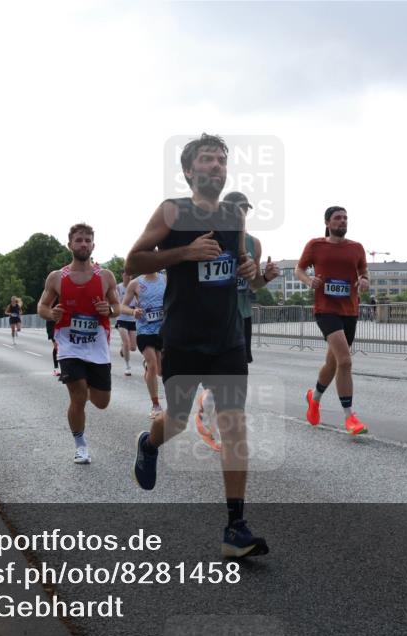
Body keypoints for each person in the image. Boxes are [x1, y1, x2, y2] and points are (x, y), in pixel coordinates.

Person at [125, 133, 267, 558]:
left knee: (234, 426)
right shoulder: (173, 210)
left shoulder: (232, 217)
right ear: (189, 170)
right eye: (207, 160)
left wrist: (253, 270)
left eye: (221, 160)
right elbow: (134, 260)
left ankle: (235, 527)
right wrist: (185, 252)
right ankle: (148, 444)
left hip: (227, 337)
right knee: (179, 420)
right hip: (184, 335)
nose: (216, 167)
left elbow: (243, 272)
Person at [195, 192, 280, 449]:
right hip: (212, 317)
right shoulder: (211, 235)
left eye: (245, 210)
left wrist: (265, 278)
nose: (241, 213)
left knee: (235, 377)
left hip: (241, 315)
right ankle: (213, 416)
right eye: (236, 208)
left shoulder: (254, 243)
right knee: (217, 377)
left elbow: (252, 284)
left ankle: (213, 414)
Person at [37, 223, 120, 465]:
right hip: (69, 346)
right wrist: (51, 313)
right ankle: (80, 445)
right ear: (70, 244)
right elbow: (41, 307)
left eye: (87, 240)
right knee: (78, 395)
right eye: (79, 240)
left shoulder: (105, 276)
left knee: (101, 402)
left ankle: (92, 388)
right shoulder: (57, 277)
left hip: (97, 346)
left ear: (93, 245)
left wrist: (110, 309)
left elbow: (117, 307)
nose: (83, 244)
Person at [296, 205, 370, 436]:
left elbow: (363, 272)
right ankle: (349, 417)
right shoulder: (315, 245)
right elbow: (299, 269)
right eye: (338, 218)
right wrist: (310, 281)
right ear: (327, 223)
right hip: (326, 309)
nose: (343, 221)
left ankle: (314, 400)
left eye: (345, 218)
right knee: (346, 361)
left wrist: (365, 281)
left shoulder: (356, 248)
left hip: (350, 310)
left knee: (333, 363)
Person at [120, 271, 167, 418]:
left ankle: (149, 366)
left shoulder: (165, 279)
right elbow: (123, 306)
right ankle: (155, 405)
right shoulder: (135, 283)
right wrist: (133, 312)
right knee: (152, 365)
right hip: (144, 330)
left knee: (161, 371)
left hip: (163, 329)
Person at [115, 273, 137, 377]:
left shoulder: (134, 287)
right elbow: (114, 302)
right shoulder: (118, 288)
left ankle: (123, 348)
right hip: (121, 318)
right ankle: (127, 367)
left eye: (129, 275)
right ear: (123, 276)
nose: (127, 277)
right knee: (127, 343)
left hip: (132, 319)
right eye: (125, 275)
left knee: (133, 347)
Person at [45, 297, 60, 375]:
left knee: (61, 347)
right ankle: (56, 368)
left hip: (62, 324)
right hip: (52, 324)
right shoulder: (50, 297)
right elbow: (44, 308)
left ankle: (64, 369)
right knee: (56, 347)